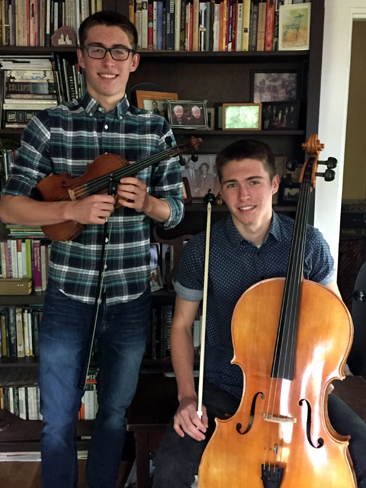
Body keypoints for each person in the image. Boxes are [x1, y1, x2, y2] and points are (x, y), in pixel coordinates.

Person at [0, 11, 184, 488]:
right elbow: (9, 206)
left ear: (134, 60)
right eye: (97, 50)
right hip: (68, 298)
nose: (108, 61)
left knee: (113, 415)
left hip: (129, 299)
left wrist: (148, 203)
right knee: (58, 418)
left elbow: (177, 212)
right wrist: (70, 214)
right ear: (81, 58)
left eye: (119, 51)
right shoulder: (48, 126)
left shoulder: (155, 131)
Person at [152, 139, 366, 488]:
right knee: (171, 465)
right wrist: (187, 397)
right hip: (224, 386)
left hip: (302, 394)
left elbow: (336, 321)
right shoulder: (203, 250)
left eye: (254, 182)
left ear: (275, 184)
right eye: (232, 185)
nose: (244, 196)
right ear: (220, 190)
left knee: (364, 448)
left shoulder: (309, 244)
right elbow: (180, 326)